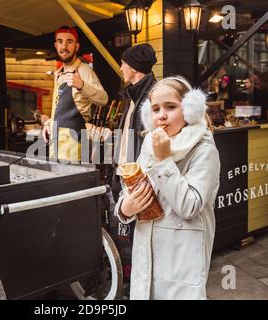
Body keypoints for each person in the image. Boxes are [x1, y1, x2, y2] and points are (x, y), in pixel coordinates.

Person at [114, 76, 220, 300]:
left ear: (190, 110)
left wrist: (163, 160)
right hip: (145, 257)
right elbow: (133, 189)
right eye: (155, 109)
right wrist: (125, 207)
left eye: (170, 107)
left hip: (180, 260)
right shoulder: (150, 142)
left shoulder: (204, 150)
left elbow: (190, 206)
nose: (161, 115)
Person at [42, 26, 108, 162]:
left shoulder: (84, 71)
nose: (64, 46)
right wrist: (48, 124)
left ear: (76, 46)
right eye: (60, 41)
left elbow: (104, 99)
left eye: (69, 42)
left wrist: (82, 85)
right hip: (56, 145)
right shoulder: (59, 74)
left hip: (75, 145)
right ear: (55, 45)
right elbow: (59, 110)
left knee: (73, 183)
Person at [112, 43, 157, 201]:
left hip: (138, 180)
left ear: (134, 67)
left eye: (123, 63)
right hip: (125, 176)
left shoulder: (153, 97)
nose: (120, 68)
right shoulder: (132, 96)